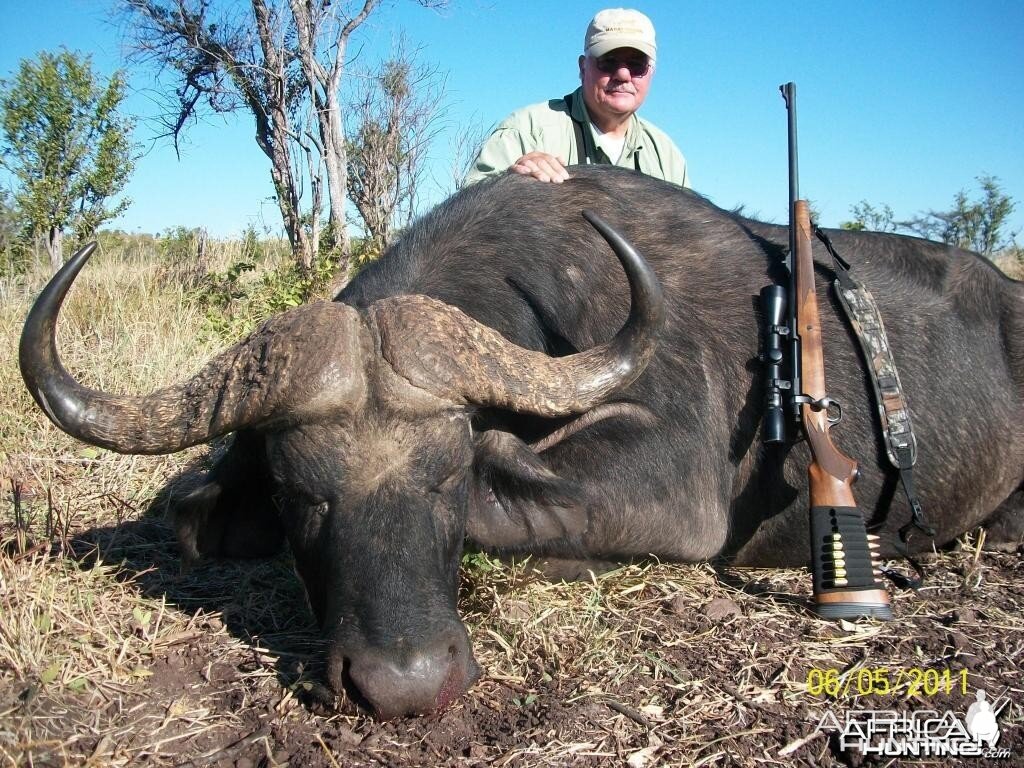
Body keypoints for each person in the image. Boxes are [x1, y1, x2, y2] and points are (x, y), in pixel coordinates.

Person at [466, 8, 689, 187]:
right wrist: (509, 182)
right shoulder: (526, 131)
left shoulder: (666, 157)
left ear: (651, 73)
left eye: (636, 65)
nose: (623, 75)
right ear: (583, 68)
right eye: (608, 61)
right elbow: (464, 219)